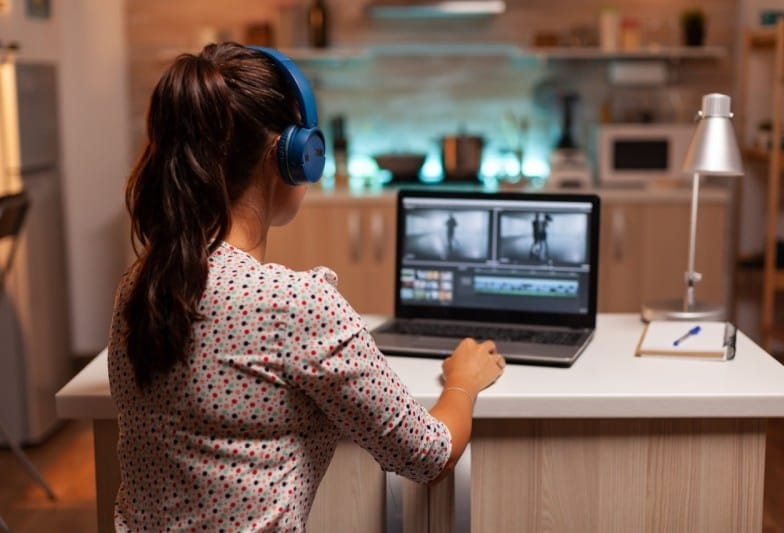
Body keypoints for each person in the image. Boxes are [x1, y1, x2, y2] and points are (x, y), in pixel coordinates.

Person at [107, 42, 505, 532]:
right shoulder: (293, 304)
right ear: (294, 155)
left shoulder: (139, 283)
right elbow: (429, 456)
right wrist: (463, 382)